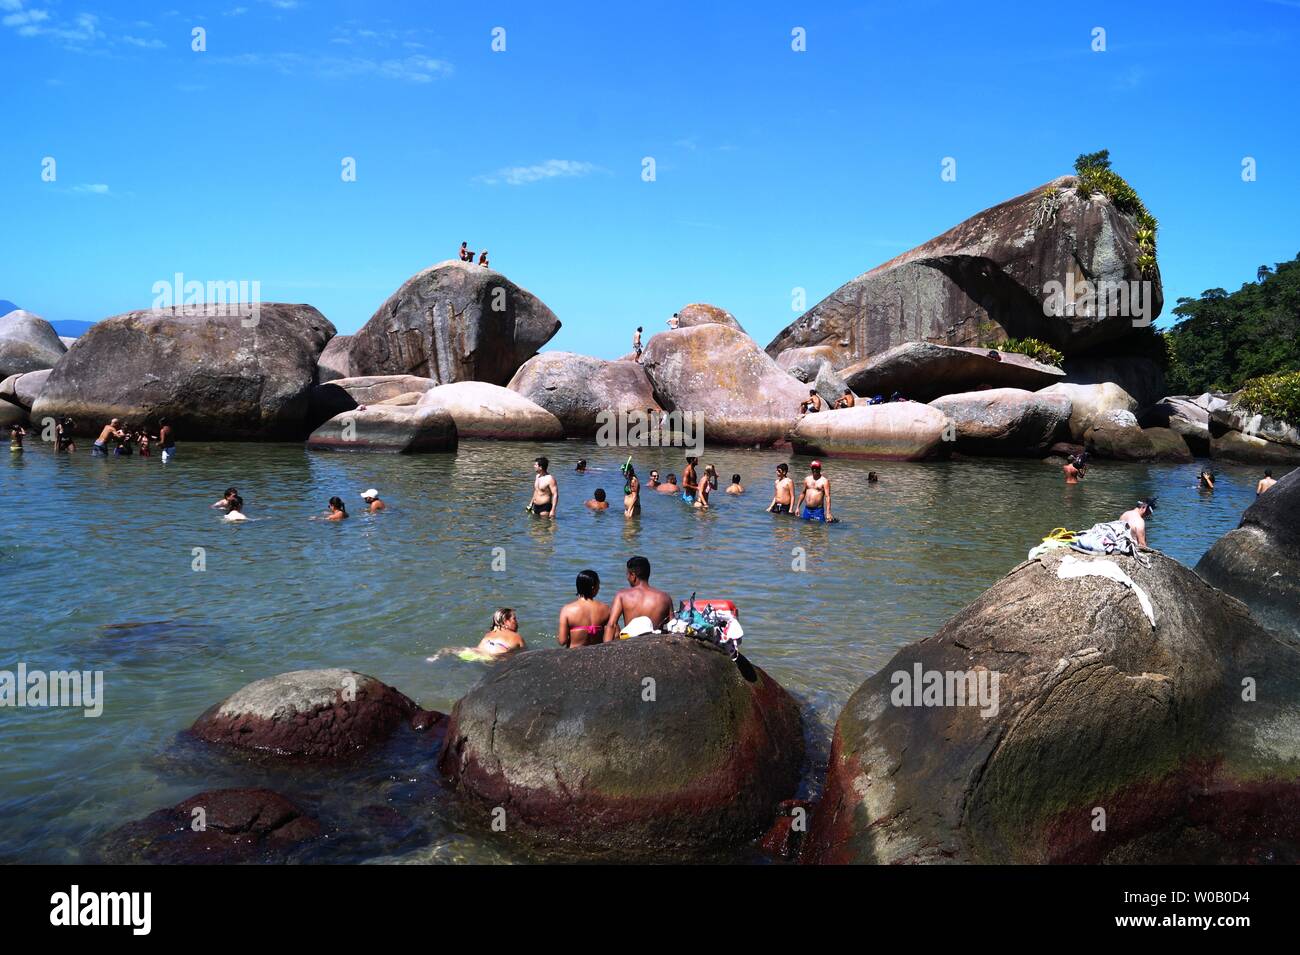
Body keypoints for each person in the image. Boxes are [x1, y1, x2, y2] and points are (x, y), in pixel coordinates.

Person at [604, 556, 674, 642]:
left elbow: (611, 625)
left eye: (628, 574)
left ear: (633, 576)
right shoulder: (665, 597)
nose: (627, 578)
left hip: (630, 643)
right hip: (654, 644)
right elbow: (673, 626)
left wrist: (605, 649)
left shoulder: (622, 595)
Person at [557, 570, 611, 648]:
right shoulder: (606, 609)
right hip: (596, 652)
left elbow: (562, 641)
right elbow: (614, 633)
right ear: (593, 587)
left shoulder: (567, 610)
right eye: (598, 584)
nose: (599, 587)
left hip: (574, 655)